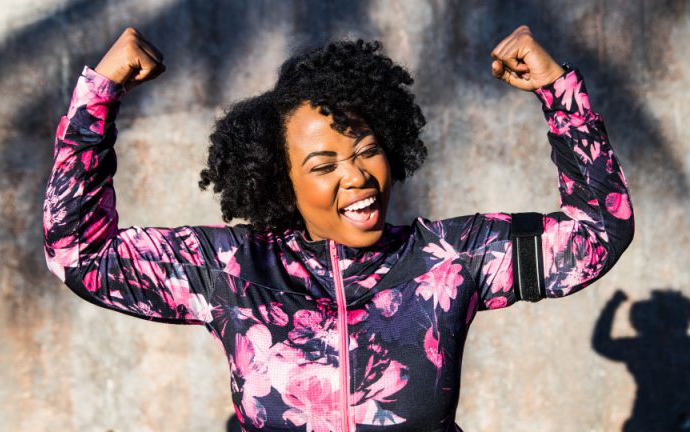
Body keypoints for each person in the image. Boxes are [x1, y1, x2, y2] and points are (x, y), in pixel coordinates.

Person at [43, 25, 635, 432]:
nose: (357, 177)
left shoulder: (449, 259)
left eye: (368, 150)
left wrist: (560, 95)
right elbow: (78, 251)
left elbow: (598, 231)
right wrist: (100, 95)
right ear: (282, 181)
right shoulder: (231, 269)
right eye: (323, 165)